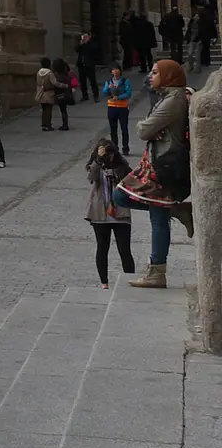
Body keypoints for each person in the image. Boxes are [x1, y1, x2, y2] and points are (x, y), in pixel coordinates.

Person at [116, 59, 193, 290]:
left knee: (154, 216)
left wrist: (147, 126)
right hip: (154, 164)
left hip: (163, 166)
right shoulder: (168, 98)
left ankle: (157, 272)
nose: (150, 75)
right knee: (123, 197)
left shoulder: (173, 100)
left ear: (169, 76)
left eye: (155, 72)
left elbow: (143, 130)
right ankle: (177, 209)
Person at [85, 139, 134, 287]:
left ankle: (130, 280)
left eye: (109, 153)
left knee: (124, 249)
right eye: (104, 153)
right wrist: (99, 160)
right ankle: (104, 282)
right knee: (102, 247)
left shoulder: (121, 166)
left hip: (120, 213)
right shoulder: (95, 166)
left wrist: (117, 166)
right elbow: (91, 177)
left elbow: (130, 178)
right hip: (100, 214)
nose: (108, 156)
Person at [102, 67, 132, 154]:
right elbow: (104, 93)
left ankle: (125, 147)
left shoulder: (125, 81)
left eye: (117, 69)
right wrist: (107, 88)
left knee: (124, 129)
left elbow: (128, 93)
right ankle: (115, 147)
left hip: (122, 107)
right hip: (112, 107)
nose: (115, 71)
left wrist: (118, 97)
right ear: (111, 71)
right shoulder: (108, 82)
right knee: (113, 129)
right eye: (113, 69)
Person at [35, 59, 60, 132]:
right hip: (49, 92)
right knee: (49, 110)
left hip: (41, 93)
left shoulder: (38, 73)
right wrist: (63, 85)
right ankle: (48, 125)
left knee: (44, 109)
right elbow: (54, 83)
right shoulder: (49, 73)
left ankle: (44, 124)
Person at [76, 33, 100, 103]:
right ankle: (85, 95)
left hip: (89, 65)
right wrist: (81, 44)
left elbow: (94, 50)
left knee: (92, 81)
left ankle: (96, 96)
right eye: (84, 37)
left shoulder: (92, 44)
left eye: (86, 37)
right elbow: (76, 49)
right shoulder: (81, 44)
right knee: (82, 82)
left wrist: (86, 44)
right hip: (81, 65)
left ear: (89, 37)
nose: (85, 38)